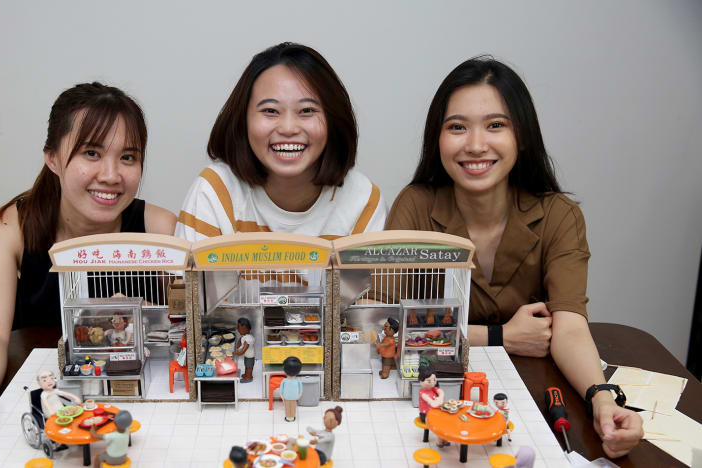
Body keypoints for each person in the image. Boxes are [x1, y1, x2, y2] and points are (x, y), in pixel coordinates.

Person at [385, 56, 643, 458]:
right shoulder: (415, 205)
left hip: (531, 393)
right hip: (436, 385)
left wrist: (602, 398)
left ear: (521, 135)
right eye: (457, 127)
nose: (475, 144)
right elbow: (386, 323)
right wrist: (501, 336)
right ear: (437, 138)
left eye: (495, 125)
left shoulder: (560, 214)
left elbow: (570, 327)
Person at [0, 83, 176, 452]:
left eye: (128, 157)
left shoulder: (161, 228)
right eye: (92, 153)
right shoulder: (10, 225)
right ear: (51, 157)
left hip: (139, 403)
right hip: (48, 394)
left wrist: (145, 321)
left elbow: (191, 324)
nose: (112, 175)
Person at [175, 42, 387, 242]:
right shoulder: (214, 191)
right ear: (243, 120)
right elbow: (193, 282)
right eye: (270, 111)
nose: (288, 128)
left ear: (333, 120)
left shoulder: (363, 200)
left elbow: (367, 282)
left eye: (307, 111)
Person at [417, 365, 448, 447]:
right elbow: (431, 403)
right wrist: (439, 401)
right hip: (425, 415)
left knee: (446, 420)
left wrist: (440, 397)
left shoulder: (433, 388)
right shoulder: (422, 393)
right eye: (429, 381)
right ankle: (439, 440)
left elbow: (441, 391)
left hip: (434, 412)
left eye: (434, 380)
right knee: (438, 423)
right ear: (421, 381)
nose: (433, 382)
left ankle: (444, 438)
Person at [279, 356, 303, 422]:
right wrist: (298, 396)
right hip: (294, 397)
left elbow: (281, 390)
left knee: (287, 408)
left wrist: (282, 396)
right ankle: (291, 417)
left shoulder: (284, 380)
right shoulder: (298, 380)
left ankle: (289, 417)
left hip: (286, 397)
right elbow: (301, 390)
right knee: (293, 407)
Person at [232, 317, 255, 383]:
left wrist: (235, 353)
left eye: (238, 327)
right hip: (247, 356)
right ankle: (246, 375)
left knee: (249, 367)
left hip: (250, 357)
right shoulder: (245, 337)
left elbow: (242, 351)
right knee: (246, 366)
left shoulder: (248, 339)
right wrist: (240, 339)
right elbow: (239, 346)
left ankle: (249, 377)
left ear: (244, 328)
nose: (237, 329)